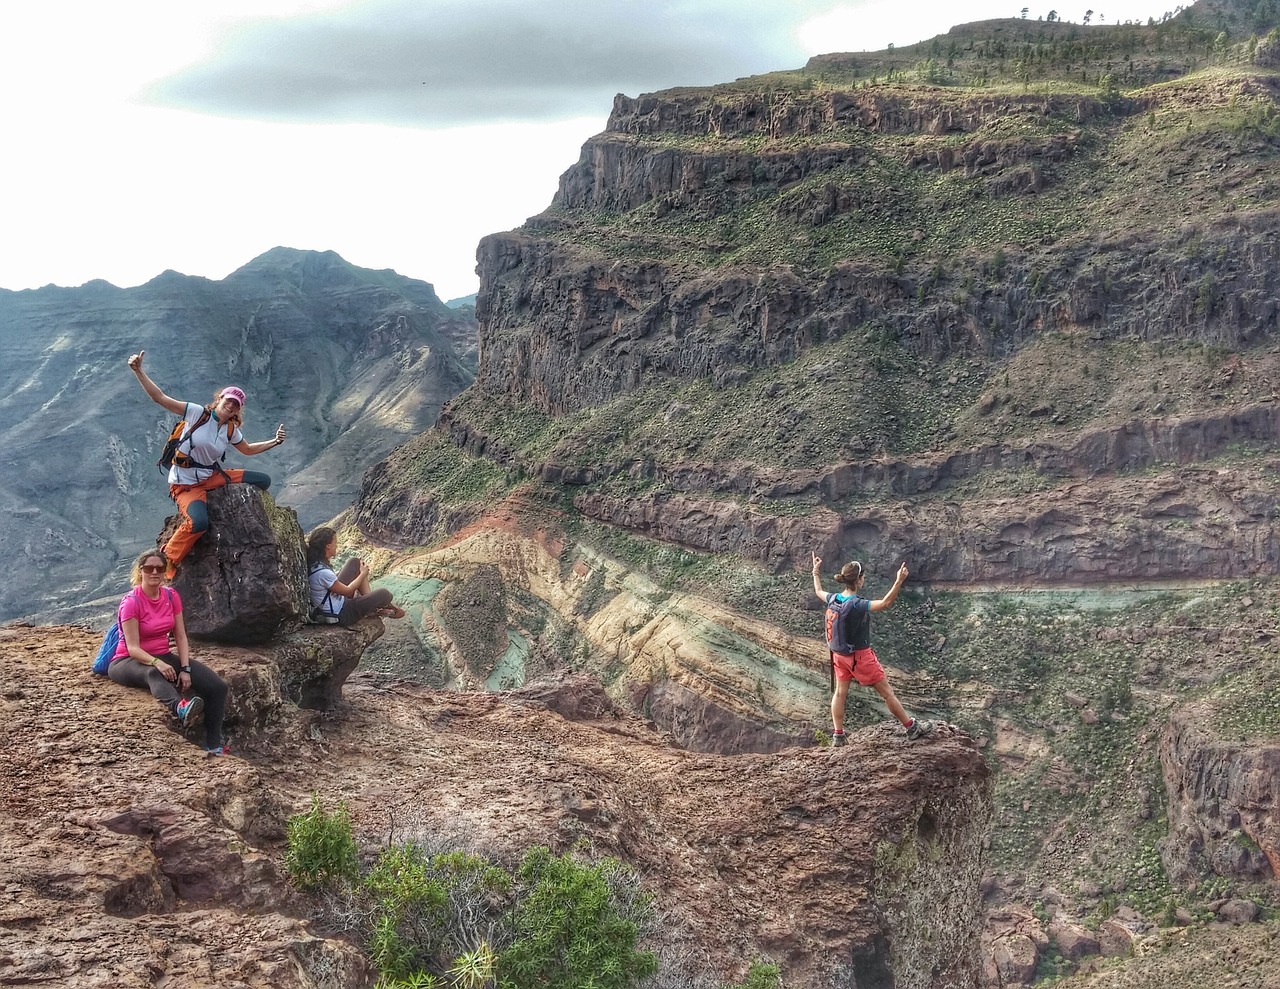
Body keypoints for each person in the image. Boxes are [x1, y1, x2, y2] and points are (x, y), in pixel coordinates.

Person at [128, 349, 287, 576]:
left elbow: (248, 449)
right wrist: (139, 371)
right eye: (229, 400)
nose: (231, 406)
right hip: (185, 484)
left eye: (236, 404)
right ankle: (167, 563)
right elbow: (160, 398)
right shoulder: (197, 414)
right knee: (199, 523)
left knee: (263, 480)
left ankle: (223, 501)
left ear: (238, 410)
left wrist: (275, 441)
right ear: (219, 399)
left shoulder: (229, 429)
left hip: (210, 478)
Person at [107, 548, 230, 756]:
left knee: (217, 687)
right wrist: (157, 663)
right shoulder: (131, 603)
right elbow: (133, 647)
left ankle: (214, 746)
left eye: (159, 568)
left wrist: (185, 668)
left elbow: (180, 636)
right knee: (153, 673)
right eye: (149, 568)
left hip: (162, 655)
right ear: (140, 572)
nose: (154, 572)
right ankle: (180, 708)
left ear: (165, 572)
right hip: (126, 661)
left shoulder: (171, 596)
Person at [812, 552, 936, 745]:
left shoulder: (834, 599)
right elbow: (885, 603)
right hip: (859, 657)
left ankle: (838, 735)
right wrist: (899, 581)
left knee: (839, 693)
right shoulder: (858, 604)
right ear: (859, 580)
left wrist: (815, 572)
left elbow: (818, 591)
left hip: (838, 655)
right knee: (887, 693)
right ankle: (912, 728)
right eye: (863, 577)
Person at [306, 526, 406, 626]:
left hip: (335, 601)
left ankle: (372, 604)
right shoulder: (323, 573)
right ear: (328, 546)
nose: (336, 545)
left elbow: (328, 582)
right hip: (341, 614)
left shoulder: (316, 563)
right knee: (385, 594)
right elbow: (348, 590)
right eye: (335, 542)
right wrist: (363, 574)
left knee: (355, 562)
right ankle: (374, 606)